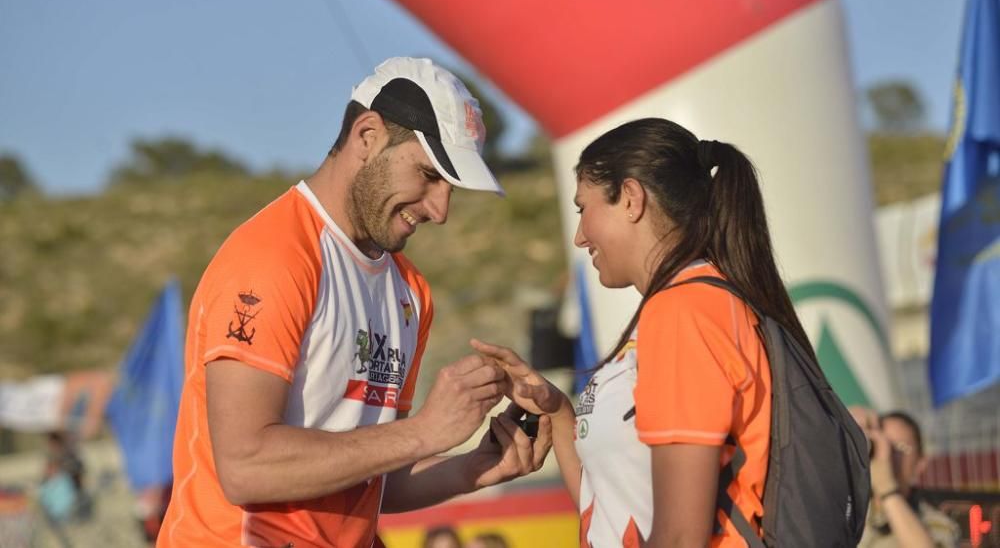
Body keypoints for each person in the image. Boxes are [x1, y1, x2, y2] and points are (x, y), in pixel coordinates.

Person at [158, 57, 551, 547]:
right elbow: (245, 465)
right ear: (367, 136)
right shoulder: (273, 256)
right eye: (429, 175)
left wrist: (474, 466)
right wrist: (425, 431)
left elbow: (371, 474)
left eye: (452, 189)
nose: (441, 209)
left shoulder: (410, 291)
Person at [474, 117, 815, 546]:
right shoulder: (680, 304)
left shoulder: (684, 309)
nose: (580, 236)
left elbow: (678, 538)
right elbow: (615, 511)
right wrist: (559, 411)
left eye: (584, 208)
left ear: (631, 199)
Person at [851, 408, 959, 548]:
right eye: (883, 444)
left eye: (900, 448)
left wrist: (887, 490)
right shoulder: (849, 506)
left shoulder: (938, 526)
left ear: (920, 463)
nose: (888, 455)